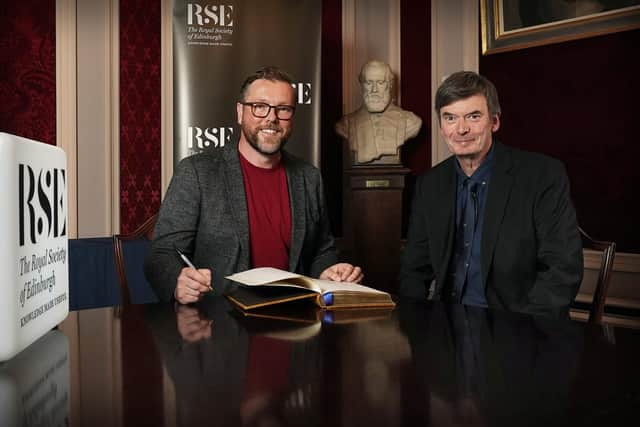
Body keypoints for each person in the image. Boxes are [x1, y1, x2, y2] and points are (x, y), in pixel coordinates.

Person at [145, 66, 363, 304]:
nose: (272, 118)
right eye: (260, 107)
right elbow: (162, 254)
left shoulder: (309, 177)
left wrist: (329, 271)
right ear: (240, 112)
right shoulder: (198, 172)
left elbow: (322, 250)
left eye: (283, 109)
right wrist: (178, 281)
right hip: (220, 324)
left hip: (293, 318)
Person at [399, 71, 583, 319]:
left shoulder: (542, 176)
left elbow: (562, 269)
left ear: (494, 121)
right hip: (445, 329)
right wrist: (416, 326)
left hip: (519, 327)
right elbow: (414, 269)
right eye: (450, 118)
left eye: (473, 116)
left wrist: (522, 329)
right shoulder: (429, 184)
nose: (461, 129)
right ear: (442, 127)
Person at [336, 60, 421, 164]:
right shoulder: (346, 123)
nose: (374, 90)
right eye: (369, 83)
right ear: (362, 85)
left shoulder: (411, 121)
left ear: (390, 85)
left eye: (380, 83)